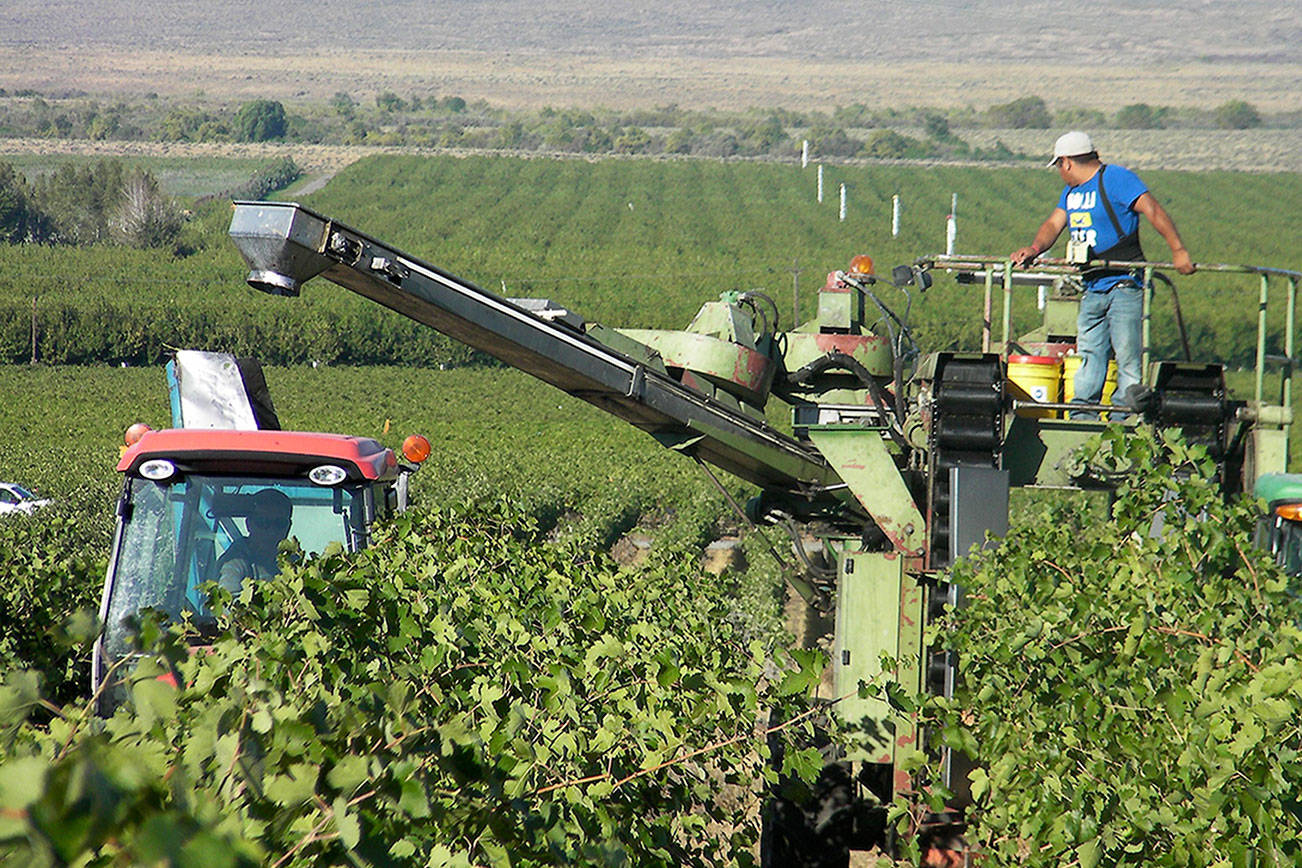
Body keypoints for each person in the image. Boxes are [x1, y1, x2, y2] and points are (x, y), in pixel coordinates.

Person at [1010, 131, 1195, 419]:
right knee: (1090, 354)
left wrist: (1178, 250)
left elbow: (1153, 210)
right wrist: (1034, 248)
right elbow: (1053, 224)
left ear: (1067, 162)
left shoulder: (1117, 179)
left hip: (1124, 284)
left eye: (1059, 166)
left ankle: (1125, 416)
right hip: (1093, 286)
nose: (1060, 173)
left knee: (1127, 355)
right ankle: (1083, 415)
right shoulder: (1071, 193)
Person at [216, 488, 293, 593]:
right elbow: (228, 604)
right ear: (249, 524)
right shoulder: (234, 565)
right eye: (263, 522)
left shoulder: (295, 565)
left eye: (279, 524)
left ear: (288, 527)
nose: (271, 531)